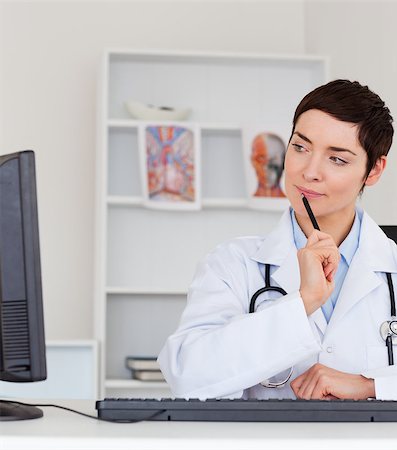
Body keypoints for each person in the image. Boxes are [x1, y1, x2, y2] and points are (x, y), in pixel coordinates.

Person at [158, 80, 397, 401]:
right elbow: (187, 376)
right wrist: (303, 302)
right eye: (300, 147)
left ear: (374, 171)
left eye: (337, 159)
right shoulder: (233, 263)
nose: (309, 172)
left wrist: (372, 386)